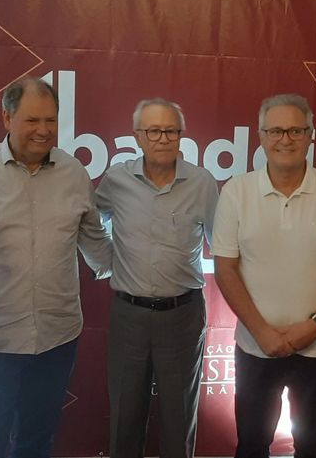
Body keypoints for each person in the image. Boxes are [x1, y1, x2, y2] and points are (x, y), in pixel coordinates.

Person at [0, 77, 112, 458]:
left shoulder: (74, 174)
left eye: (50, 120)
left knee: (36, 444)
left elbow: (97, 247)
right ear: (6, 118)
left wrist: (147, 265)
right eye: (32, 120)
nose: (43, 130)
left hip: (55, 340)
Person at [212, 93, 316, 458]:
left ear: (311, 135)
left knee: (312, 448)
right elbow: (225, 268)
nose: (286, 139)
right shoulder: (237, 191)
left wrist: (314, 326)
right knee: (251, 446)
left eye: (296, 130)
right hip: (255, 346)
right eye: (276, 131)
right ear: (261, 136)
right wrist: (261, 332)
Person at [96, 97, 219, 458]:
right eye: (153, 131)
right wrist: (106, 261)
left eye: (170, 131)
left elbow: (222, 245)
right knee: (125, 417)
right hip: (128, 314)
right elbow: (89, 223)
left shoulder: (202, 183)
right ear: (137, 135)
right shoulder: (116, 180)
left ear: (182, 135)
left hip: (183, 314)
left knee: (179, 419)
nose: (163, 139)